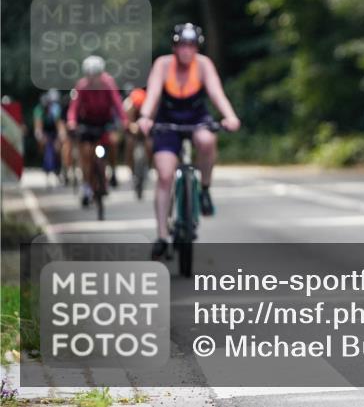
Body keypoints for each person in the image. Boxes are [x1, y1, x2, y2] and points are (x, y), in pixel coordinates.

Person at [137, 23, 240, 260]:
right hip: (167, 122)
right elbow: (152, 94)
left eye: (192, 45)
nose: (187, 50)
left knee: (206, 140)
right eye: (182, 45)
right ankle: (162, 235)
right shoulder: (163, 65)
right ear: (174, 47)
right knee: (164, 175)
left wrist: (230, 116)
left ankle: (204, 188)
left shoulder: (203, 65)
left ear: (197, 48)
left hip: (196, 117)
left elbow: (217, 93)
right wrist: (144, 117)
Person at [66, 56, 127, 206]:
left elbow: (117, 103)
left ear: (101, 73)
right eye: (90, 75)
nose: (93, 79)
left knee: (112, 143)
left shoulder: (108, 83)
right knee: (86, 154)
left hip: (105, 121)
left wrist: (124, 120)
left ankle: (112, 171)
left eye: (96, 75)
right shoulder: (81, 86)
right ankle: (86, 186)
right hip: (87, 123)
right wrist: (72, 123)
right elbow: (73, 108)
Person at [33, 89, 66, 185]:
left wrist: (60, 136)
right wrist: (40, 136)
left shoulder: (55, 108)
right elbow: (38, 125)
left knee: (58, 150)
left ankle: (58, 170)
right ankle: (46, 169)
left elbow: (58, 123)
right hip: (45, 132)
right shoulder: (39, 109)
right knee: (44, 148)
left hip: (54, 132)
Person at [122, 85, 152, 184]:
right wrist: (130, 126)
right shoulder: (128, 105)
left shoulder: (148, 103)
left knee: (149, 144)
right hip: (132, 128)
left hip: (145, 127)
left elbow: (152, 119)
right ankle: (130, 168)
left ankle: (149, 165)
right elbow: (126, 121)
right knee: (129, 145)